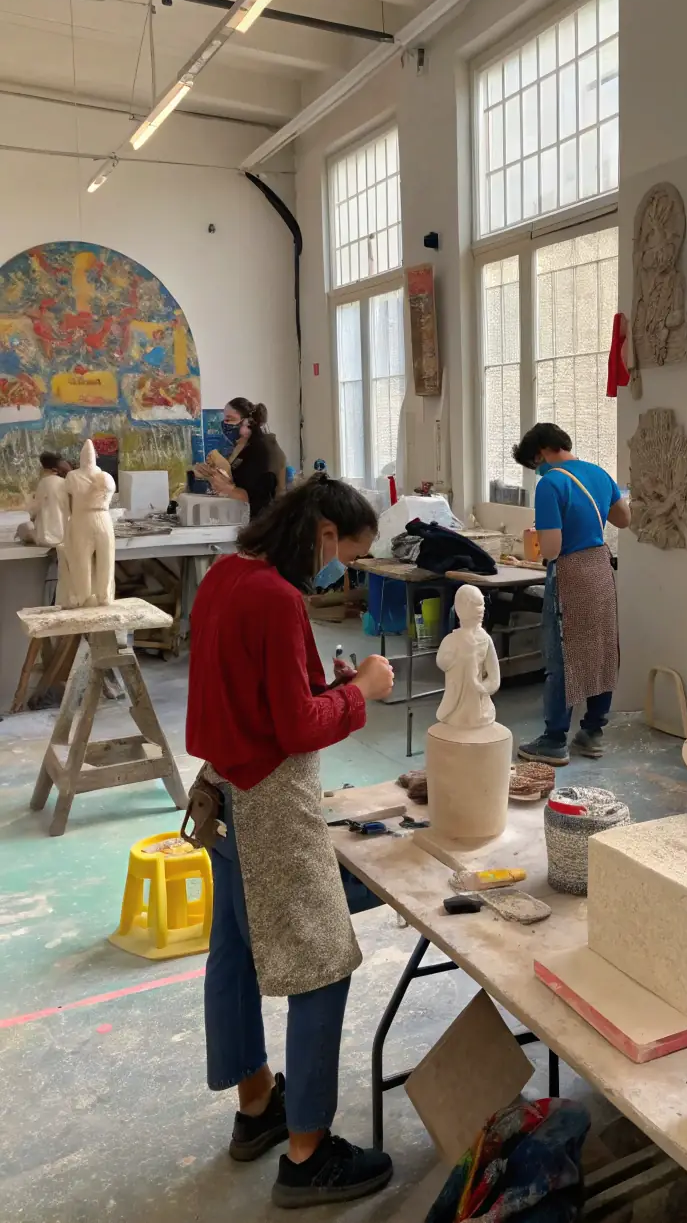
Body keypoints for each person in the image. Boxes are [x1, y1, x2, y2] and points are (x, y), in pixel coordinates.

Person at [185, 475, 396, 1209]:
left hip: (222, 784)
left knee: (237, 952)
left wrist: (326, 682)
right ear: (324, 536)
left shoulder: (227, 572)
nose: (343, 571)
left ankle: (256, 1105)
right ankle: (307, 1151)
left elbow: (272, 689)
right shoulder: (276, 596)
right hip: (267, 796)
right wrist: (363, 688)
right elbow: (298, 726)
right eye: (349, 555)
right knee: (322, 960)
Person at [512, 423, 631, 766]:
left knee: (562, 655)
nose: (537, 472)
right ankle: (592, 733)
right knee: (602, 650)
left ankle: (553, 740)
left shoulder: (551, 483)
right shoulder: (598, 473)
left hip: (571, 573)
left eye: (534, 466)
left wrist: (539, 539)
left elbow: (552, 547)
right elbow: (624, 519)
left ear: (540, 454)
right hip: (600, 569)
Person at [196, 398, 281, 518]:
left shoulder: (260, 451)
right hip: (239, 517)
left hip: (259, 522)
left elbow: (253, 497)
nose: (224, 424)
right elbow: (234, 481)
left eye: (229, 419)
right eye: (224, 419)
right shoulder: (238, 447)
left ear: (247, 422)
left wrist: (227, 485)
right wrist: (212, 475)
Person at [16, 452, 70, 545]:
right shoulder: (65, 482)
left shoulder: (43, 483)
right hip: (67, 536)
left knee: (23, 527)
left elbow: (34, 510)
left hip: (47, 538)